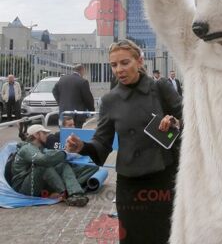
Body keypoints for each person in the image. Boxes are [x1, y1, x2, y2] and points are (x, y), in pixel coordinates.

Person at [65, 39, 182, 244]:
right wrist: (83, 146)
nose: (119, 69)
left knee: (165, 236)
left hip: (163, 177)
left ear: (139, 61)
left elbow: (192, 119)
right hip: (129, 183)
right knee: (131, 238)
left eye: (125, 62)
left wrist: (174, 122)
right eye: (114, 65)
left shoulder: (161, 88)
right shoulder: (110, 100)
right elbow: (102, 142)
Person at [11, 124, 89, 206]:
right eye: (44, 133)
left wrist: (69, 152)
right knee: (43, 166)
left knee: (62, 164)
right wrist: (65, 153)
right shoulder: (27, 148)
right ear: (36, 135)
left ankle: (75, 194)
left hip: (35, 182)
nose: (47, 135)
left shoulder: (39, 147)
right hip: (23, 188)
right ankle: (64, 193)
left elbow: (50, 154)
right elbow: (43, 160)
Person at [52, 64, 95, 128]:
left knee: (63, 133)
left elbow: (54, 91)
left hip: (63, 113)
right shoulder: (83, 81)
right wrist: (92, 110)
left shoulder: (63, 79)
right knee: (75, 134)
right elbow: (88, 99)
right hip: (77, 115)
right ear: (82, 70)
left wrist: (60, 102)